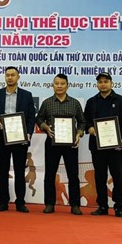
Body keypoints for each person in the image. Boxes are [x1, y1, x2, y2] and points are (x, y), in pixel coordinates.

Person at [36, 73, 86, 215]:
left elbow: (82, 121)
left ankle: (75, 205)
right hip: (52, 142)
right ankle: (49, 204)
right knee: (50, 174)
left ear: (67, 86)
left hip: (70, 144)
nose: (59, 86)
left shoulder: (74, 103)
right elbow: (39, 119)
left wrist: (79, 134)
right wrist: (45, 127)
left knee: (73, 175)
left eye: (62, 84)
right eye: (56, 83)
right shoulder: (47, 102)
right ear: (53, 85)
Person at [84, 72, 122, 218]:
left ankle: (119, 207)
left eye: (106, 81)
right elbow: (85, 121)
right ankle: (102, 206)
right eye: (100, 82)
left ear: (111, 83)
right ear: (97, 84)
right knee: (100, 177)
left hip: (115, 147)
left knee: (118, 177)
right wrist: (89, 128)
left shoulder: (121, 100)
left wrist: (120, 138)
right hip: (97, 147)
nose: (103, 84)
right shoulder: (91, 102)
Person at [0, 66, 36, 213]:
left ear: (18, 77)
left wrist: (29, 133)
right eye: (7, 75)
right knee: (3, 171)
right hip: (2, 137)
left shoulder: (27, 95)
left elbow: (31, 117)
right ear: (5, 77)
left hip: (20, 138)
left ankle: (20, 202)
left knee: (19, 171)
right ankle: (3, 202)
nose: (10, 77)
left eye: (13, 75)